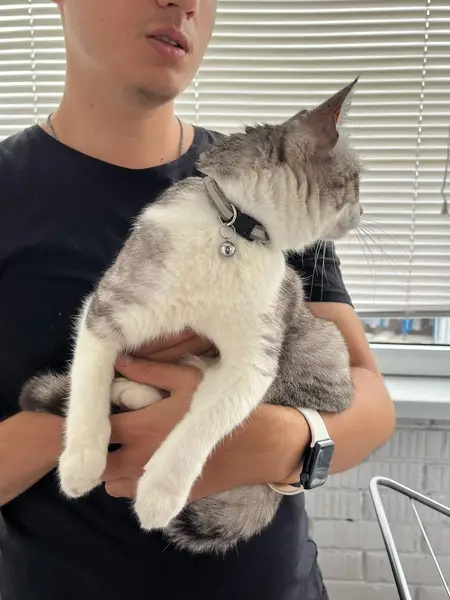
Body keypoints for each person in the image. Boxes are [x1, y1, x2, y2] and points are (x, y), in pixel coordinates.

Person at [0, 1, 396, 598]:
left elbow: (370, 402)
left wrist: (271, 441)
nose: (184, 3)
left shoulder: (274, 191)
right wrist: (92, 413)